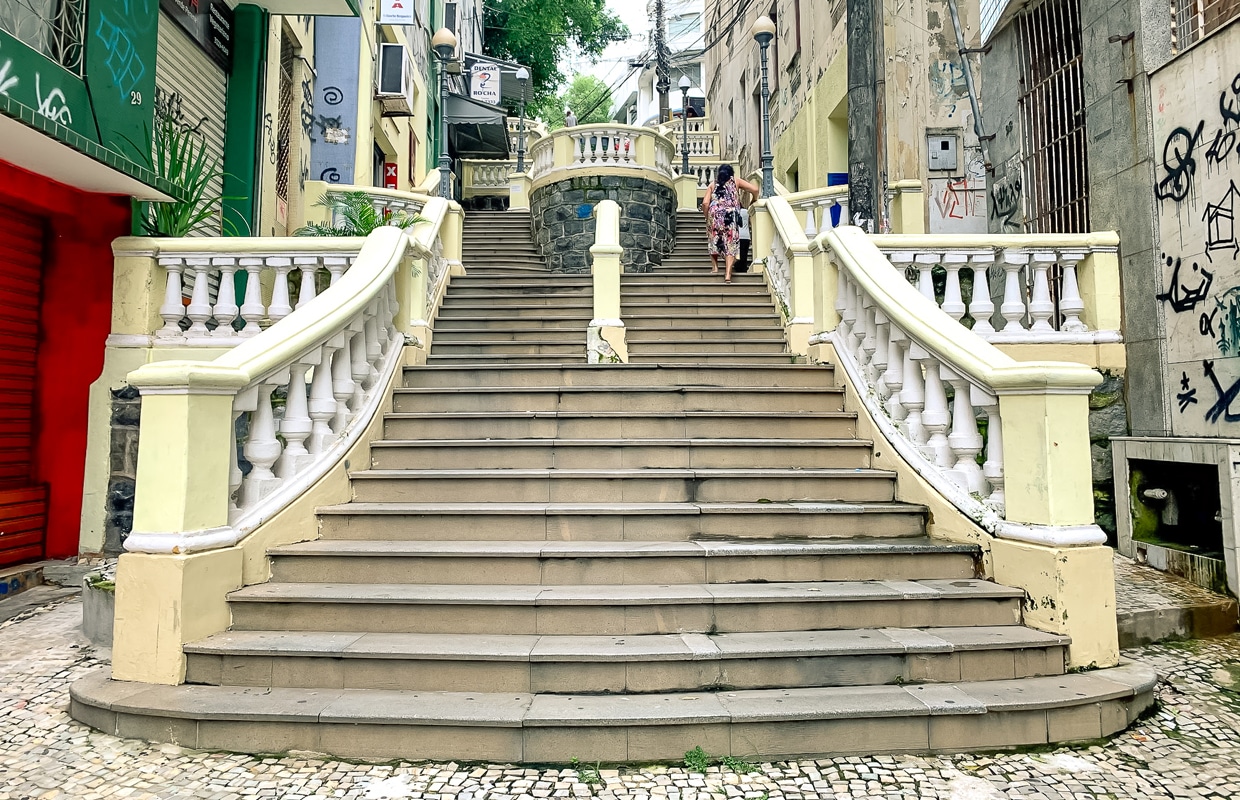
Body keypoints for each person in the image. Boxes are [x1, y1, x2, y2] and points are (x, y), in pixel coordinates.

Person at [702, 164, 758, 283]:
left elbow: (705, 203)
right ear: (731, 173)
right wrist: (754, 200)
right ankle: (728, 274)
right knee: (730, 243)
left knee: (714, 240)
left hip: (715, 216)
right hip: (730, 216)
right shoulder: (735, 181)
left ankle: (715, 268)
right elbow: (755, 190)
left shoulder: (712, 184)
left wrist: (707, 217)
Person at [735, 201, 751, 273]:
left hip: (738, 235)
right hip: (747, 236)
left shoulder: (735, 212)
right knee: (745, 253)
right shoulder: (747, 212)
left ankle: (739, 267)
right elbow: (749, 222)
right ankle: (744, 267)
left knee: (739, 253)